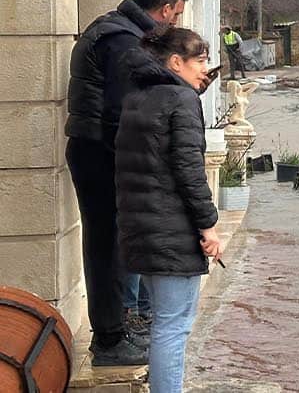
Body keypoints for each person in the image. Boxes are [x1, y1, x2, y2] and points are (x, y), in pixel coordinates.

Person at [65, 0, 192, 366]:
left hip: (101, 150)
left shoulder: (118, 31)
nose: (176, 22)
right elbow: (123, 113)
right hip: (101, 154)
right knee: (107, 247)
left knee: (118, 244)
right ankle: (109, 340)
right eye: (176, 14)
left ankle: (123, 324)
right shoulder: (122, 40)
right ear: (166, 8)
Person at [115, 28, 223, 393]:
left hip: (141, 228)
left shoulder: (137, 95)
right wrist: (208, 226)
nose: (205, 70)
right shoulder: (181, 99)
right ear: (176, 62)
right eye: (201, 61)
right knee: (173, 327)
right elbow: (189, 170)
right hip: (171, 231)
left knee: (164, 323)